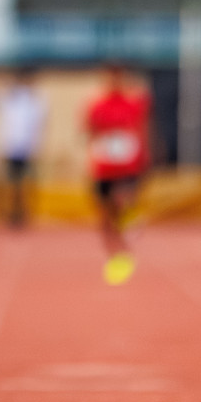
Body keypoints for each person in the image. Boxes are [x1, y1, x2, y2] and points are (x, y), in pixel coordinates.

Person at [85, 64, 151, 286]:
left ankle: (131, 217)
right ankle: (116, 255)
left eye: (118, 77)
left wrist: (144, 155)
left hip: (126, 165)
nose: (114, 81)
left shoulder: (135, 103)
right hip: (104, 166)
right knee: (105, 218)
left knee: (121, 198)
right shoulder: (96, 105)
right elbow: (90, 131)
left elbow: (142, 129)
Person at [0, 71, 45, 229]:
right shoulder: (10, 97)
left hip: (26, 148)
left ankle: (23, 213)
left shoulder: (36, 100)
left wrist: (37, 147)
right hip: (9, 147)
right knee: (8, 183)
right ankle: (9, 213)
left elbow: (39, 125)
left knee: (25, 183)